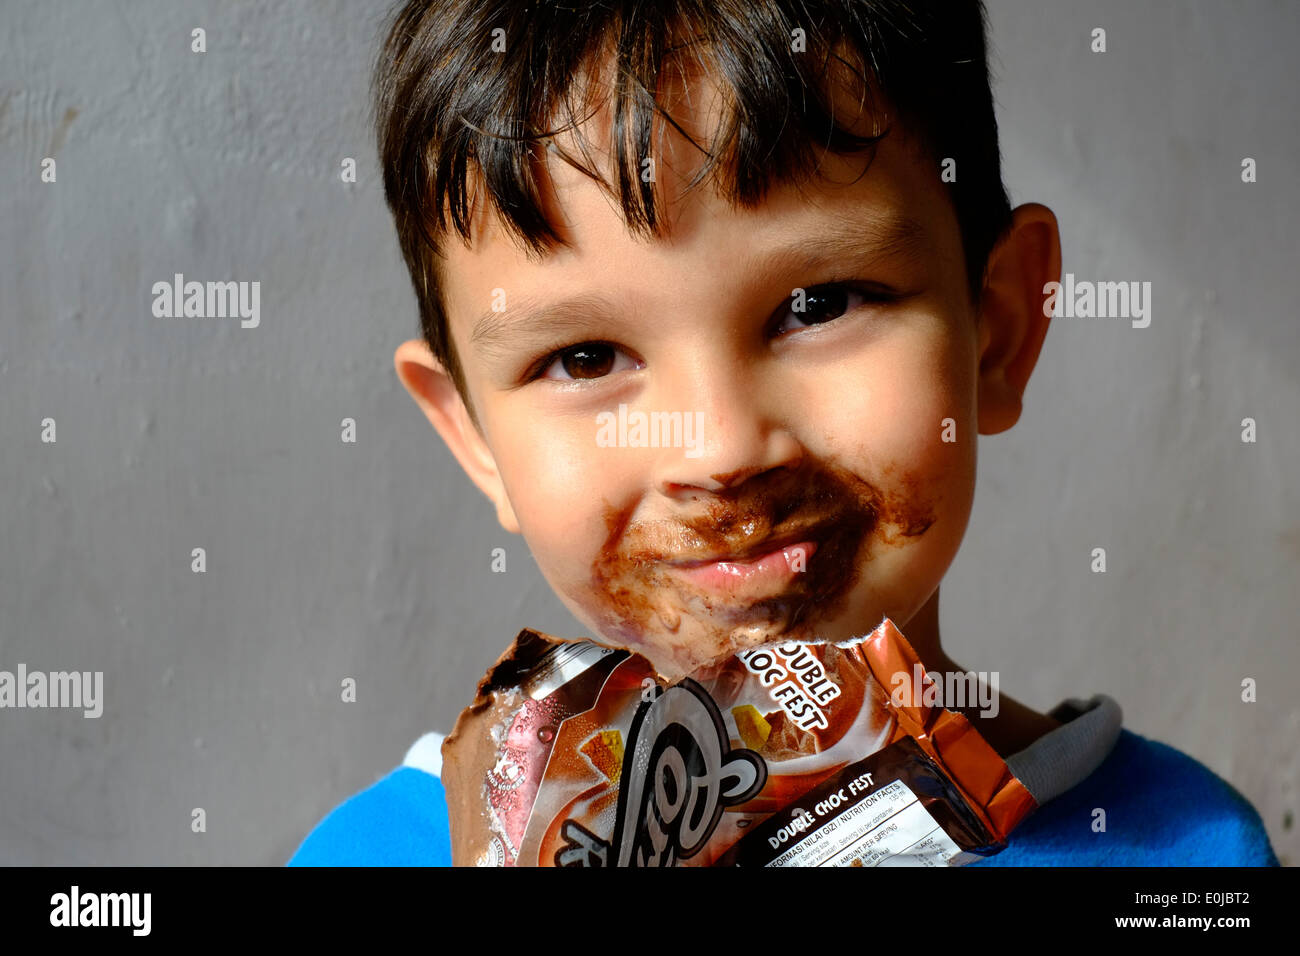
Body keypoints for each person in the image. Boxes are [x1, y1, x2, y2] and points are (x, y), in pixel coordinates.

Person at [289, 0, 1278, 866]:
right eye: (586, 358)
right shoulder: (377, 858)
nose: (719, 448)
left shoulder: (1184, 850)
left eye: (816, 303)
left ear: (999, 330)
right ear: (472, 436)